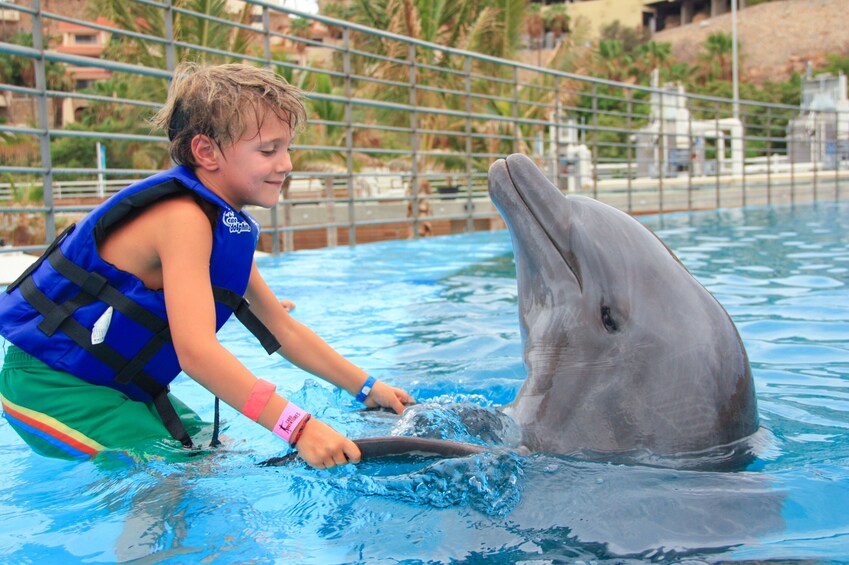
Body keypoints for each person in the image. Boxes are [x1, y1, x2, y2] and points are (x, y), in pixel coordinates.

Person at [0, 62, 414, 468]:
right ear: (206, 151)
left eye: (288, 147)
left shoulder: (224, 227)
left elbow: (281, 329)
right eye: (268, 150)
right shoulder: (183, 219)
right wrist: (299, 427)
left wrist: (367, 387)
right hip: (50, 385)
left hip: (117, 385)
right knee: (174, 476)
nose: (286, 163)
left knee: (216, 456)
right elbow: (196, 354)